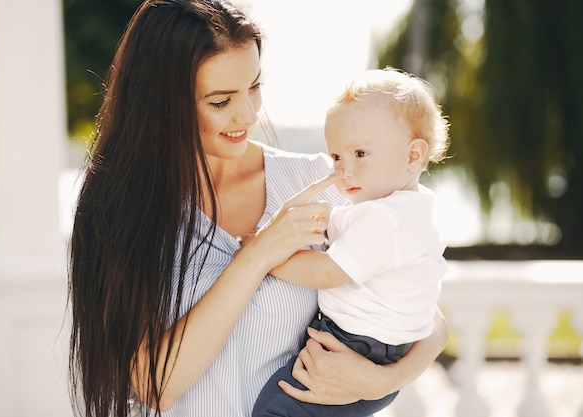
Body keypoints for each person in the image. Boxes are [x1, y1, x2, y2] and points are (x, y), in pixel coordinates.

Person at [67, 2, 450, 417]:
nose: (248, 114)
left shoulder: (328, 182)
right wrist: (260, 253)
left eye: (253, 86)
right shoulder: (123, 211)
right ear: (163, 103)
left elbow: (425, 316)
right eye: (220, 101)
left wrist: (381, 381)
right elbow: (154, 385)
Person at [252, 67, 451, 417]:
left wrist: (266, 254)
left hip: (357, 347)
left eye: (360, 154)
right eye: (337, 157)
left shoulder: (387, 220)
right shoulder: (401, 210)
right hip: (374, 349)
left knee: (276, 409)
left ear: (412, 156)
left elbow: (327, 272)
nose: (345, 170)